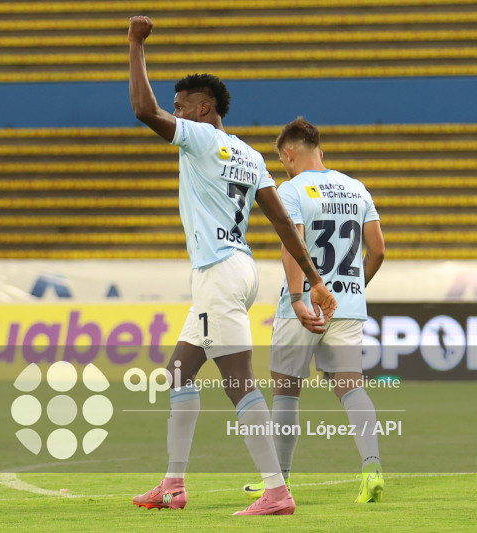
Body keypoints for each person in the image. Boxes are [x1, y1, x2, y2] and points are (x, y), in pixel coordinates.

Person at [127, 17, 336, 516]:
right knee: (180, 372)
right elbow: (281, 221)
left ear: (204, 110)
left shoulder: (199, 138)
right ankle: (173, 485)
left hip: (218, 272)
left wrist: (135, 44)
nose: (175, 113)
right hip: (239, 268)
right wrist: (313, 278)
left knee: (238, 378)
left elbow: (143, 109)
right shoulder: (249, 154)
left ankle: (276, 491)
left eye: (181, 107)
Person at [242, 117, 386, 503]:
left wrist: (297, 297)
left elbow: (294, 244)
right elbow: (378, 249)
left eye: (282, 161)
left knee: (286, 389)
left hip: (304, 303)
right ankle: (372, 466)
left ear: (289, 155)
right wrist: (353, 289)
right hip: (347, 304)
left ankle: (280, 482)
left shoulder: (291, 190)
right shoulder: (357, 188)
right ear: (320, 151)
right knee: (350, 386)